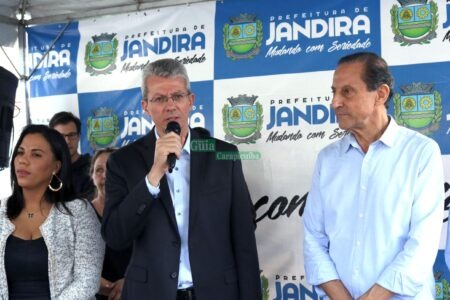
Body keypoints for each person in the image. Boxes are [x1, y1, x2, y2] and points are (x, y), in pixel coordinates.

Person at [102, 58, 261, 300]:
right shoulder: (122, 162)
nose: (170, 106)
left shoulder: (224, 155)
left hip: (216, 292)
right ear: (145, 106)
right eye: (159, 99)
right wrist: (154, 175)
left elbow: (244, 237)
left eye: (177, 96)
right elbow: (115, 236)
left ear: (190, 101)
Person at [303, 52, 444, 299]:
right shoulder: (327, 159)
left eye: (347, 92)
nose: (335, 102)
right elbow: (313, 239)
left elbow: (423, 243)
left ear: (380, 94)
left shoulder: (421, 153)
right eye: (334, 91)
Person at [0, 124, 104, 299]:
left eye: (36, 154)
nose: (23, 160)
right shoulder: (1, 211)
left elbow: (87, 281)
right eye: (20, 152)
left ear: (56, 167)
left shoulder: (79, 212)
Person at [90, 148, 131, 300]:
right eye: (99, 170)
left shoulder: (140, 211)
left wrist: (130, 281)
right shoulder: (79, 216)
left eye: (112, 169)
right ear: (92, 177)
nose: (105, 176)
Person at [49, 111, 95, 199]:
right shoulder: (46, 170)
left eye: (72, 135)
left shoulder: (92, 167)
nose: (67, 141)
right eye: (61, 136)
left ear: (78, 137)